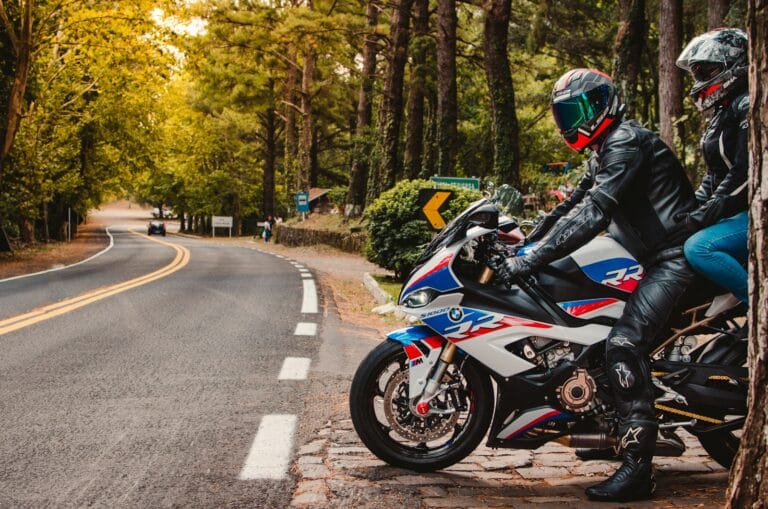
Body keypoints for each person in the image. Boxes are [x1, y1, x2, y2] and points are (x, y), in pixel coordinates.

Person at [497, 69, 698, 502]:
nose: (572, 120)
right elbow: (573, 205)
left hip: (673, 259)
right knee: (597, 334)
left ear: (604, 103)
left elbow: (594, 214)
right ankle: (605, 427)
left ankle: (638, 469)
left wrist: (532, 258)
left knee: (623, 343)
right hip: (645, 258)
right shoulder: (606, 148)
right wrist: (526, 242)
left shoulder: (626, 141)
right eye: (566, 112)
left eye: (579, 110)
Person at [674, 28, 749, 304]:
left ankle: (755, 304)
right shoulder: (723, 112)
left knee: (699, 248)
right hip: (735, 212)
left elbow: (745, 171)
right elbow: (715, 175)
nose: (701, 80)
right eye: (697, 73)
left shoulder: (748, 103)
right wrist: (688, 210)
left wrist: (709, 211)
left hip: (754, 211)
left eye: (706, 71)